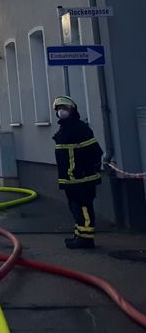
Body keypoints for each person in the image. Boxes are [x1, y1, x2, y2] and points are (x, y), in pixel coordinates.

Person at [52, 96, 103, 249]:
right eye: (59, 109)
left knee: (84, 207)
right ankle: (79, 235)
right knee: (74, 207)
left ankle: (86, 239)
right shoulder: (64, 129)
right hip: (70, 179)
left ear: (72, 110)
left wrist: (84, 169)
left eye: (65, 108)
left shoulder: (81, 129)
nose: (61, 111)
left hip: (82, 178)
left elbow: (95, 152)